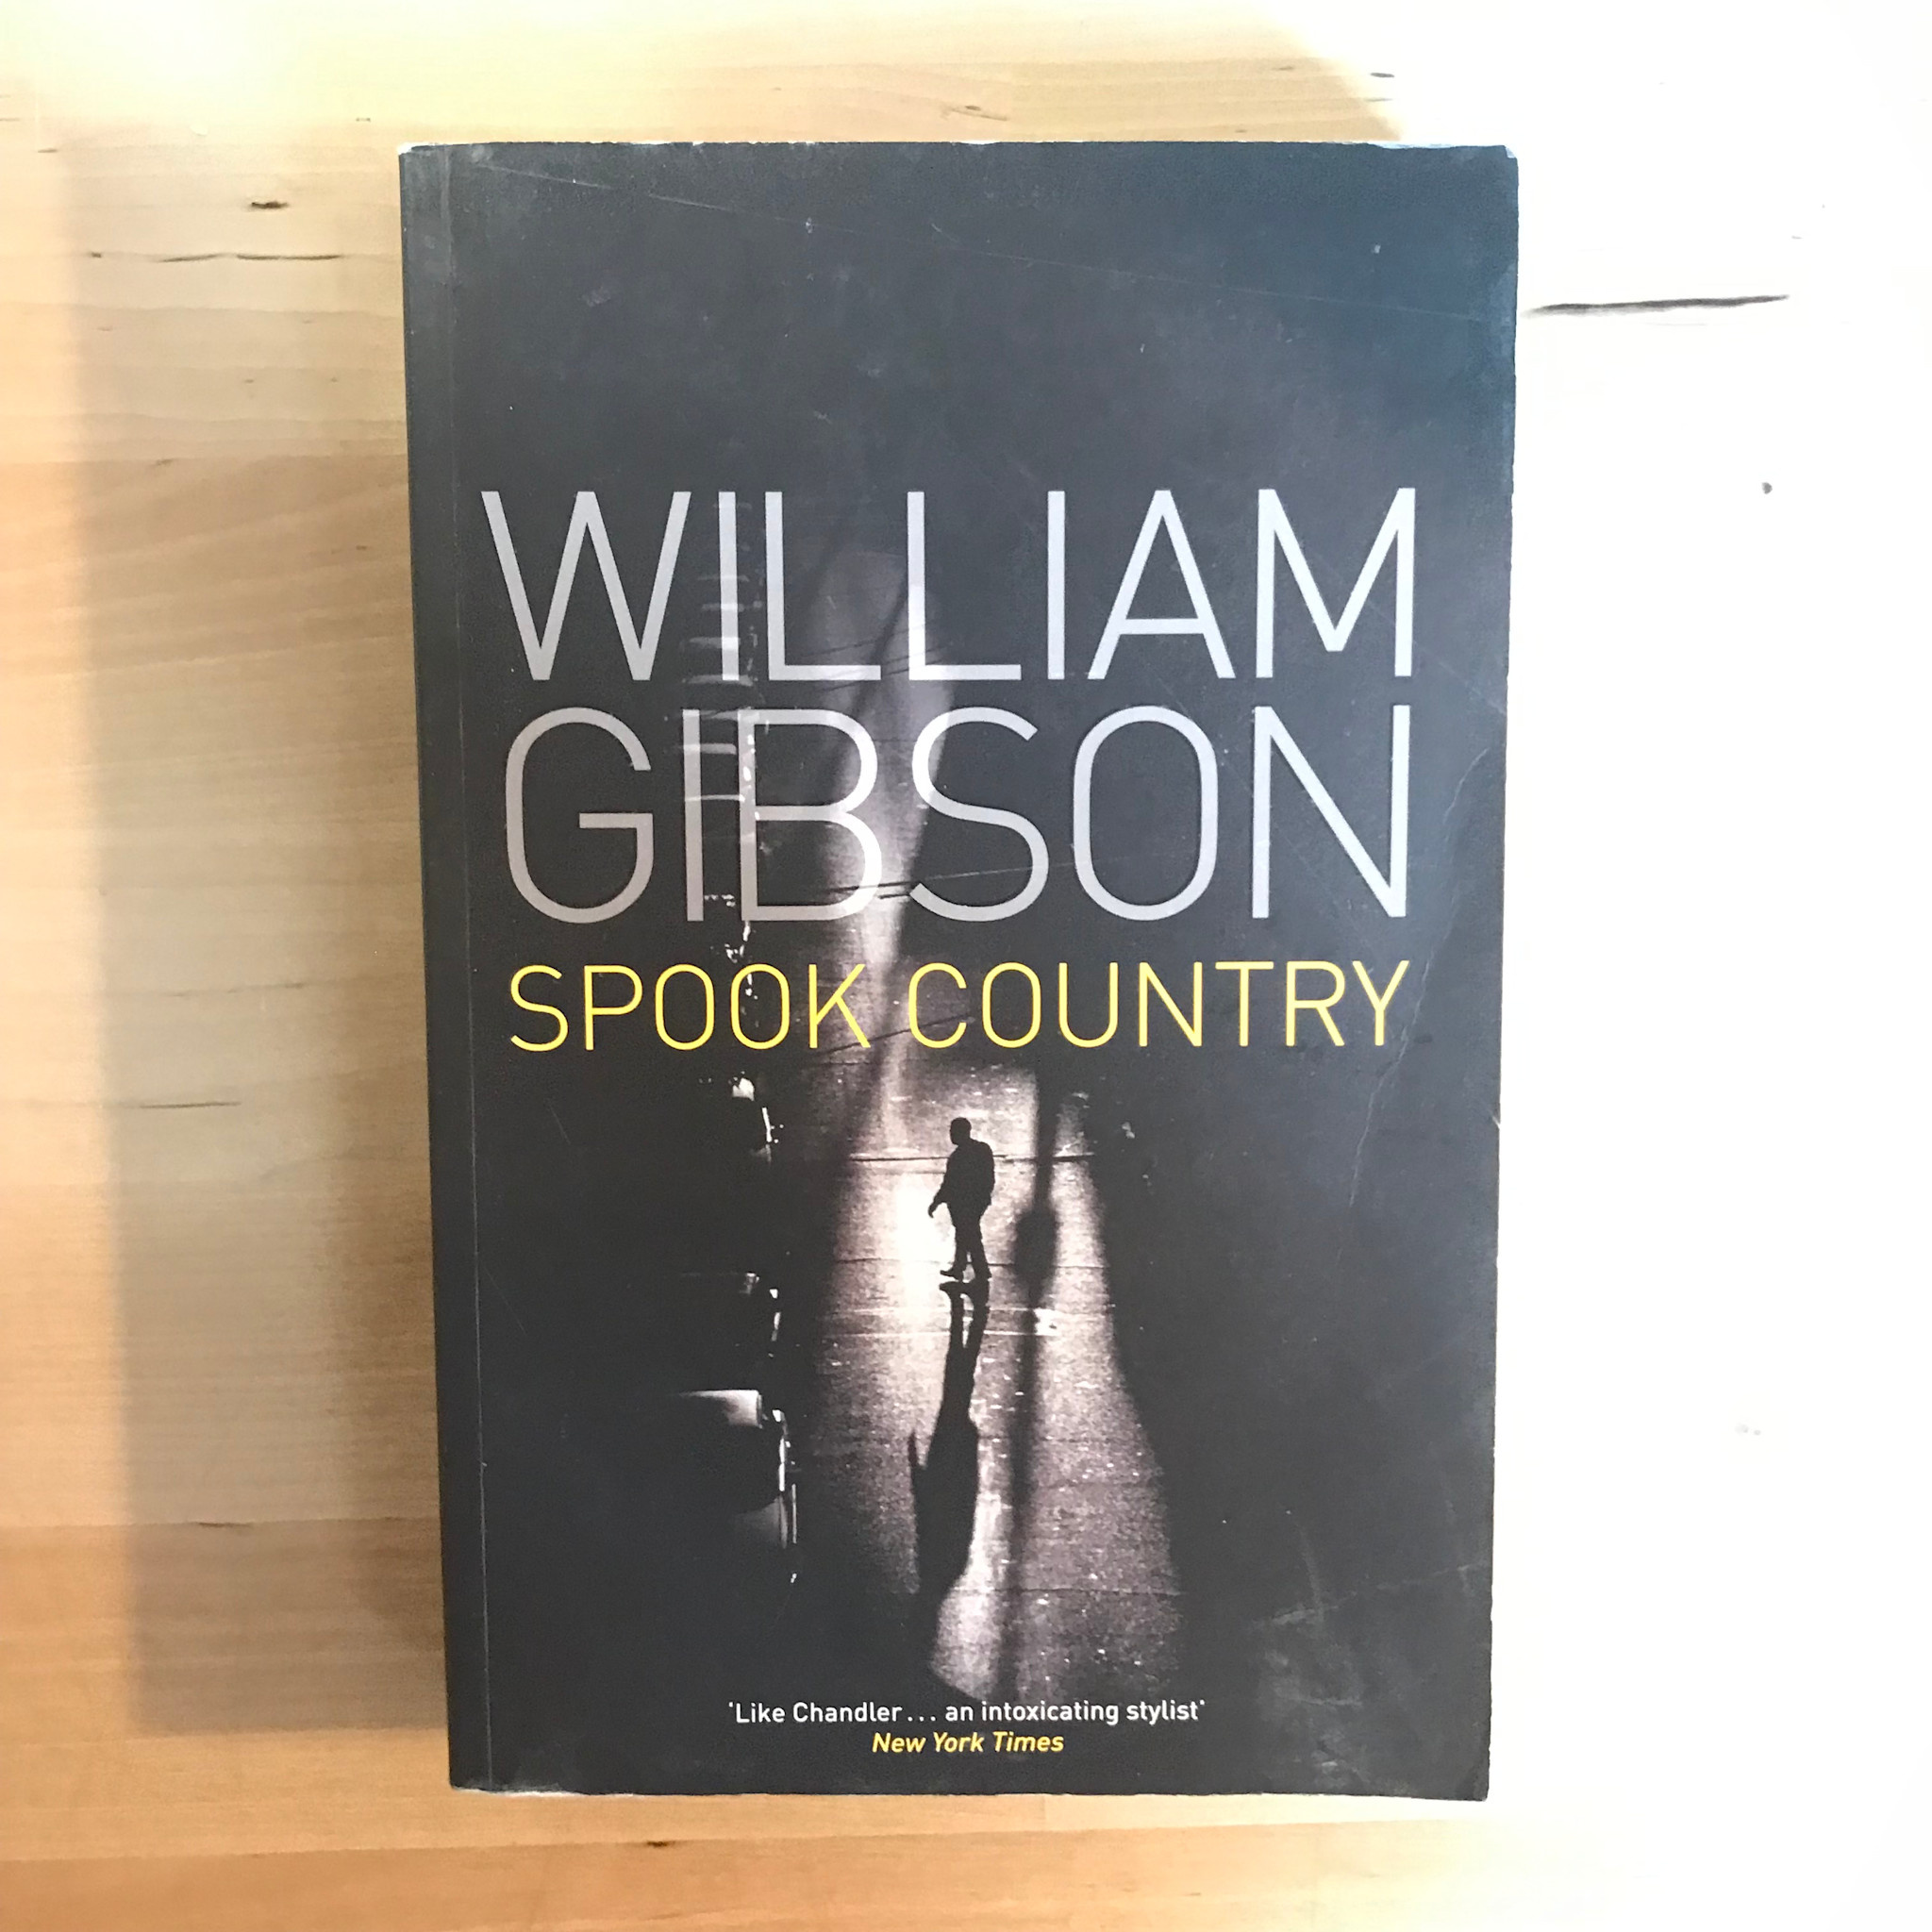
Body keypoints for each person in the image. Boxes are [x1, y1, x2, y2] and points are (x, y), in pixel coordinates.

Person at [927, 1116, 994, 1289]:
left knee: (969, 1235)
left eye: (953, 1132)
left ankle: (981, 1271)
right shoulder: (982, 1150)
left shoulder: (958, 1157)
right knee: (965, 1233)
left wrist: (936, 1202)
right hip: (976, 1201)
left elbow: (948, 1183)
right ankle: (960, 1267)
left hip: (963, 1202)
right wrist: (984, 1196)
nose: (950, 1135)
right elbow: (989, 1177)